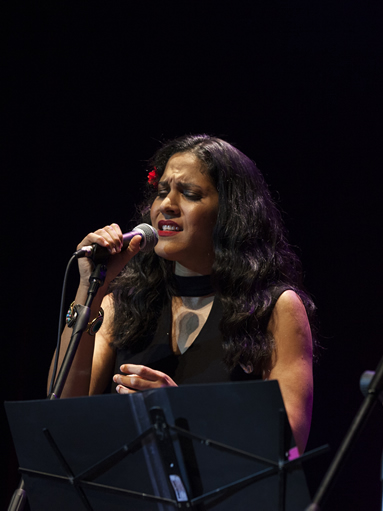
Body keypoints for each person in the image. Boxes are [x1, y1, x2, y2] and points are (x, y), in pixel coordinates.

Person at [49, 134, 315, 454]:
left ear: (230, 214)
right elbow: (62, 412)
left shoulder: (274, 309)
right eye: (162, 192)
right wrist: (89, 289)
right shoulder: (122, 304)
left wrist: (182, 413)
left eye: (188, 193)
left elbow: (287, 446)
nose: (167, 205)